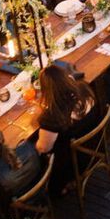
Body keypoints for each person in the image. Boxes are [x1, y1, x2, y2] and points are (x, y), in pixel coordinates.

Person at [36, 62, 101, 196]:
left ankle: (57, 188)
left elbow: (43, 148)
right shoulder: (84, 89)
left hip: (73, 162)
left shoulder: (53, 116)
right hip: (96, 145)